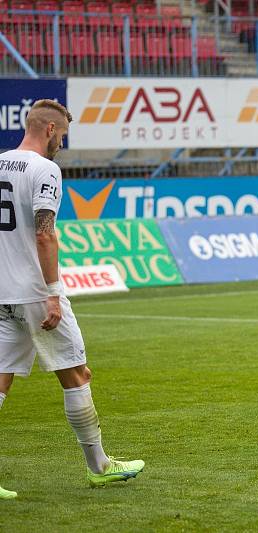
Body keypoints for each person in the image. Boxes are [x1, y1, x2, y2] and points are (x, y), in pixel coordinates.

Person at [0, 100, 144, 500]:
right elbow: (45, 234)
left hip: (1, 291)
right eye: (61, 134)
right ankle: (100, 467)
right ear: (48, 129)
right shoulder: (45, 169)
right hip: (33, 291)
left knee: (0, 379)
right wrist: (52, 294)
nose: (61, 142)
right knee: (76, 374)